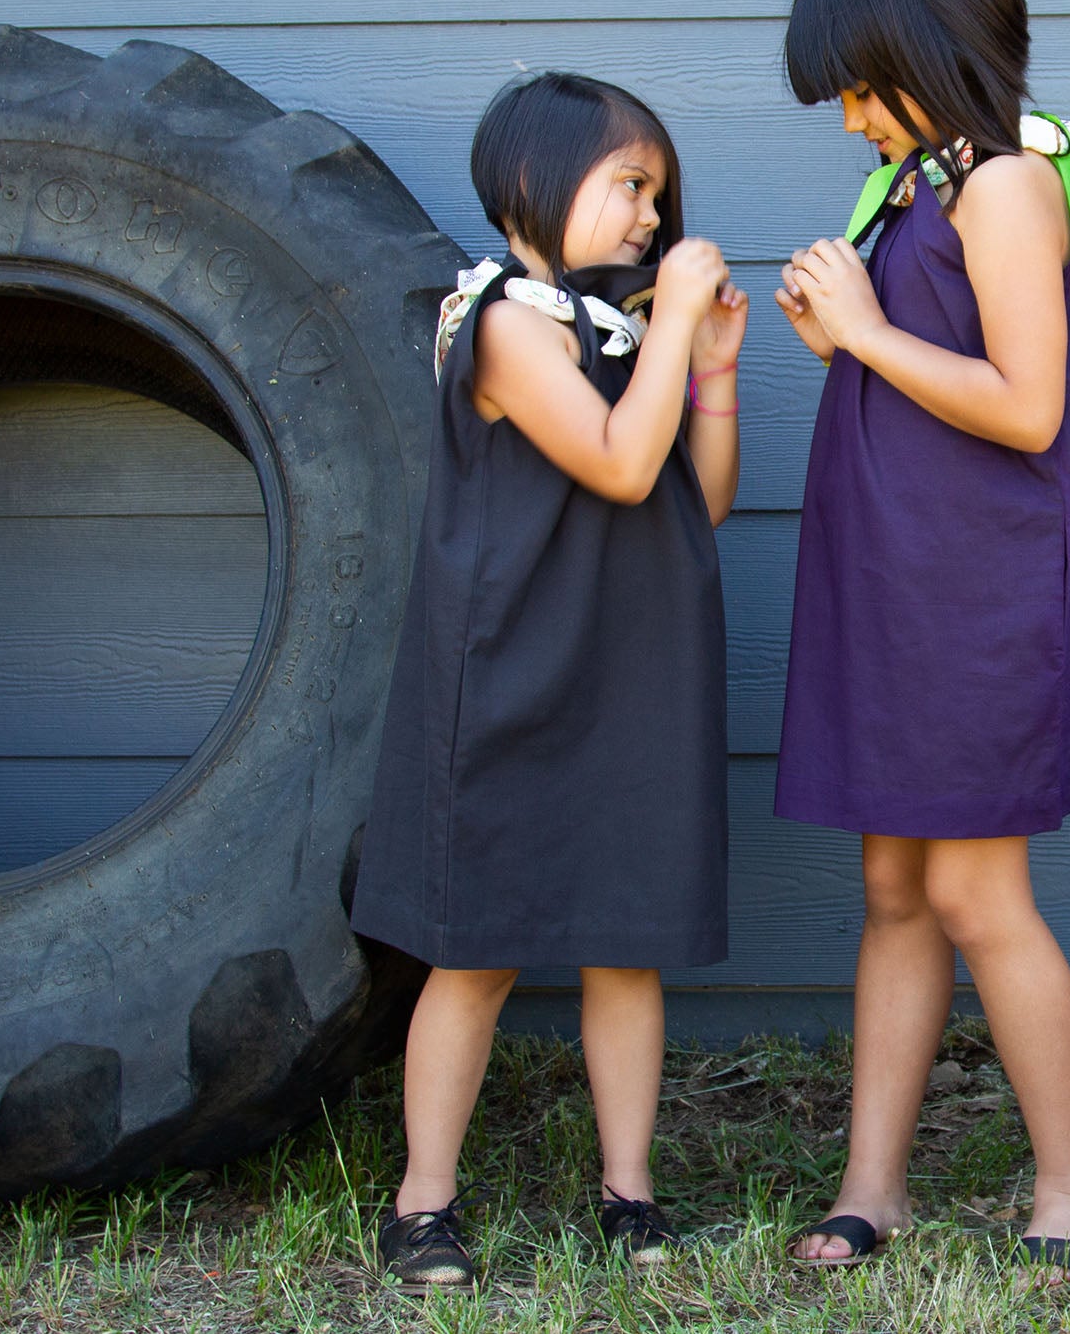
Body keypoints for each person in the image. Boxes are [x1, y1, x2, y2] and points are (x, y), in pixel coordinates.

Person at [772, 0, 1070, 1282]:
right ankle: (871, 1187)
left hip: (972, 594)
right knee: (895, 881)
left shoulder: (1007, 182)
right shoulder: (925, 180)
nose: (846, 121)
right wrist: (844, 327)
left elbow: (1027, 409)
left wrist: (866, 333)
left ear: (929, 55)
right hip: (901, 585)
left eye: (856, 88)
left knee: (974, 894)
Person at [350, 71, 747, 1292]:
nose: (648, 216)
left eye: (659, 195)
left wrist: (715, 368)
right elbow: (623, 468)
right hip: (517, 669)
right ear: (535, 173)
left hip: (632, 671)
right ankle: (425, 1202)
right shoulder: (507, 324)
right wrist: (676, 319)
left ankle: (630, 1192)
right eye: (629, 184)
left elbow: (697, 499)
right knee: (477, 951)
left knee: (624, 944)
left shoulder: (630, 325)